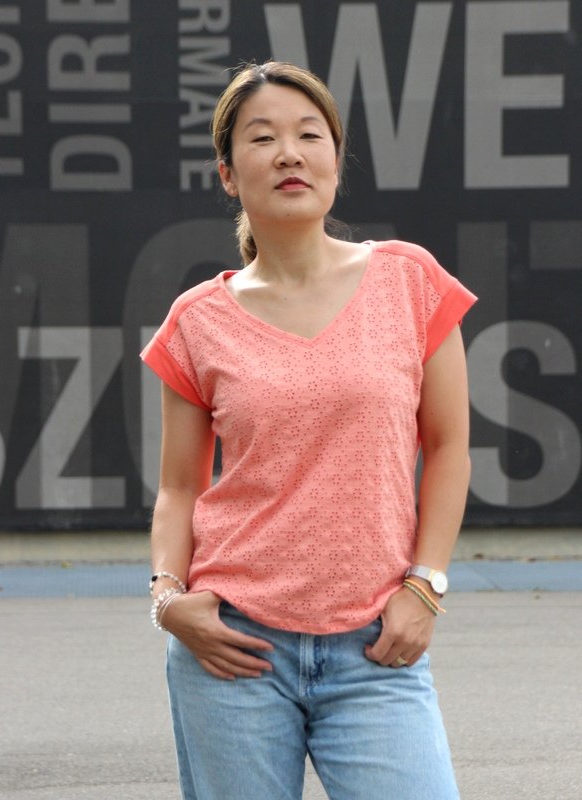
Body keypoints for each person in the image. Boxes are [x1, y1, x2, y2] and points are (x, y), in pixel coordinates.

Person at [141, 60, 477, 800]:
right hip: (231, 645)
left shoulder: (410, 280)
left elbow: (450, 446)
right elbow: (178, 487)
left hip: (376, 648)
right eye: (263, 138)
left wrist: (426, 586)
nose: (289, 153)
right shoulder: (197, 320)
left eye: (309, 135)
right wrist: (169, 600)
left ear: (334, 159)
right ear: (228, 175)